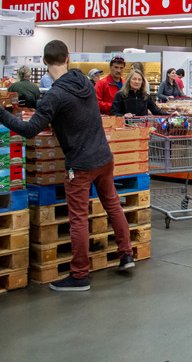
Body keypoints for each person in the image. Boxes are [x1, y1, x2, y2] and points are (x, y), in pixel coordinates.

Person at [0, 40, 135, 291]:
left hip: (80, 166)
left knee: (78, 219)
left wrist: (2, 113)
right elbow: (77, 113)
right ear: (68, 58)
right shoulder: (84, 81)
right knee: (113, 205)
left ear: (43, 62)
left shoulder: (54, 96)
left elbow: (30, 129)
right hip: (104, 157)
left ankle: (80, 274)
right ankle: (126, 254)